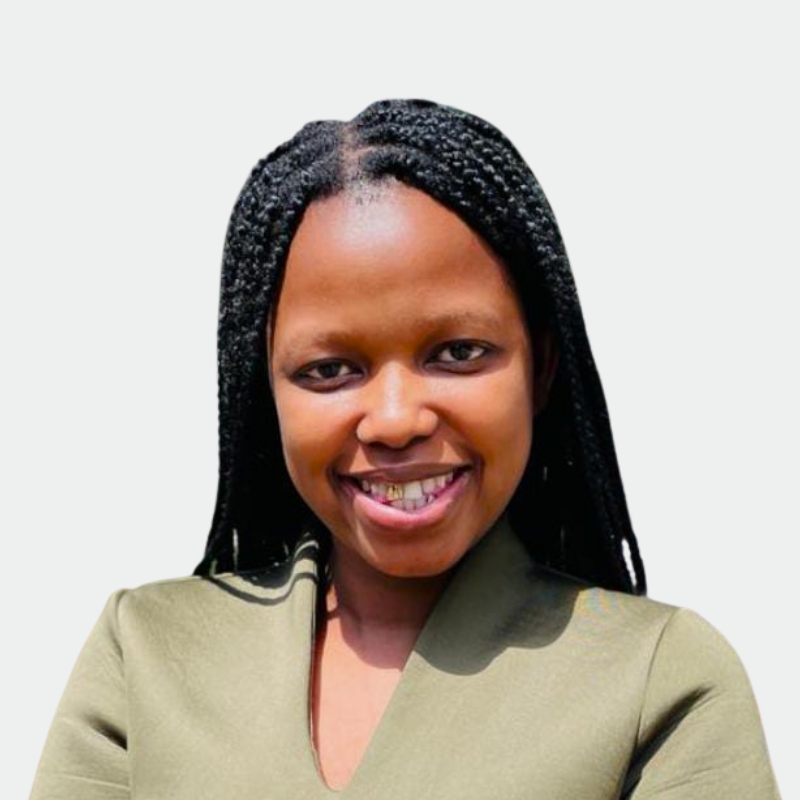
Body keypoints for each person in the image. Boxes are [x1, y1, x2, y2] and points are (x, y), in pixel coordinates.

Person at [29, 99, 781, 799]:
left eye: (458, 352)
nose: (394, 421)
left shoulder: (656, 680)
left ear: (541, 368)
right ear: (267, 391)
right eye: (329, 370)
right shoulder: (148, 656)